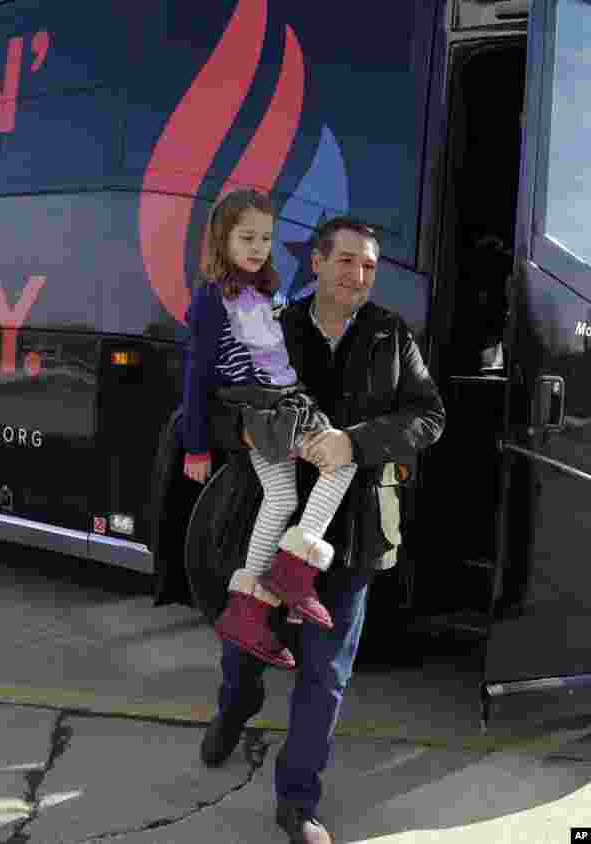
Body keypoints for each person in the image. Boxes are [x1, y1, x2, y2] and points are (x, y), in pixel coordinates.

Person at [196, 216, 445, 844]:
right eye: (346, 262)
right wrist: (244, 432)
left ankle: (296, 803)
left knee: (325, 674)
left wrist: (354, 444)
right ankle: (236, 706)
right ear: (316, 262)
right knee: (242, 646)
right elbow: (216, 404)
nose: (358, 276)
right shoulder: (272, 328)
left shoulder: (391, 333)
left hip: (350, 531)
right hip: (271, 516)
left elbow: (428, 414)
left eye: (368, 266)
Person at [182, 189, 358, 670]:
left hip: (280, 405)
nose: (258, 247)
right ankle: (293, 572)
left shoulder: (266, 293)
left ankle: (246, 610)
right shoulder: (211, 299)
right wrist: (195, 446)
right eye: (247, 237)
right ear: (222, 240)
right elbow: (197, 374)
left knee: (280, 499)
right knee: (342, 461)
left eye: (265, 237)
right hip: (263, 410)